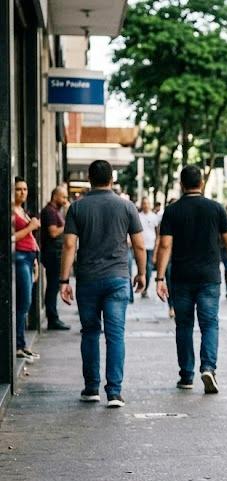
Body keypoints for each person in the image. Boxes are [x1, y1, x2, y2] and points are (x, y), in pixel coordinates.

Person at [59, 160, 146, 408]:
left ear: (89, 178)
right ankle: (115, 392)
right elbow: (139, 244)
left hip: (87, 279)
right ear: (112, 179)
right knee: (115, 335)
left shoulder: (77, 208)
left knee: (90, 333)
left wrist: (64, 280)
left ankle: (91, 387)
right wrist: (142, 273)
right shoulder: (127, 206)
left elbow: (68, 245)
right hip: (118, 278)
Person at [154, 165, 227, 394]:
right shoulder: (216, 209)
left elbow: (165, 245)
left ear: (181, 184)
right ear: (202, 183)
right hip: (209, 276)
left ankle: (186, 375)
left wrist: (160, 277)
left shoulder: (172, 211)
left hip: (181, 277)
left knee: (184, 326)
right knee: (209, 323)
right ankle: (209, 367)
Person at [12, 177, 41, 362]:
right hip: (20, 257)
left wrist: (36, 260)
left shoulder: (22, 210)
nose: (22, 192)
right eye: (18, 189)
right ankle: (18, 344)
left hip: (29, 258)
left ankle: (22, 344)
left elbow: (29, 235)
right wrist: (31, 226)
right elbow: (11, 238)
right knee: (24, 302)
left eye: (25, 188)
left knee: (26, 302)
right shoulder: (11, 212)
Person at [40, 186, 70, 330]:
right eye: (63, 197)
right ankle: (52, 318)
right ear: (55, 196)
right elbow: (53, 232)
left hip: (55, 253)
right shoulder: (50, 212)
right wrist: (67, 225)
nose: (65, 200)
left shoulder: (56, 211)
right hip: (52, 254)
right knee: (52, 286)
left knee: (53, 286)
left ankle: (53, 317)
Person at [138, 197, 161, 298]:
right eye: (144, 203)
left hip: (151, 247)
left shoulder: (154, 217)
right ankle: (142, 286)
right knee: (141, 268)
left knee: (149, 268)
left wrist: (156, 246)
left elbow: (157, 233)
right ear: (142, 205)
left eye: (147, 203)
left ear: (150, 205)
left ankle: (145, 288)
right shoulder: (138, 216)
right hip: (140, 246)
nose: (146, 205)